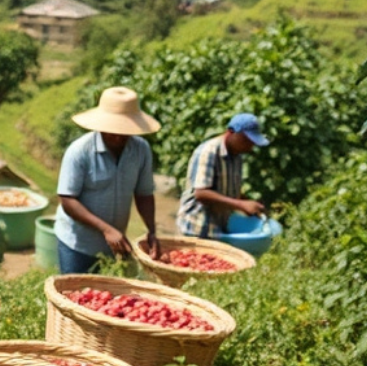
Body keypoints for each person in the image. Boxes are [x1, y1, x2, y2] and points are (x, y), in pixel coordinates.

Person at [54, 86, 162, 273]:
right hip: (78, 244)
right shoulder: (80, 151)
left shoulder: (141, 150)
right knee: (74, 296)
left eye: (124, 131)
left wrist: (151, 231)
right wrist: (106, 229)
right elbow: (67, 200)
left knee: (108, 297)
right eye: (112, 129)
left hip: (114, 245)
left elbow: (144, 194)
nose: (118, 136)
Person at [177, 114, 268, 237]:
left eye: (252, 142)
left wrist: (247, 202)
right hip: (196, 228)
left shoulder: (237, 156)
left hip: (218, 229)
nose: (249, 146)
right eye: (246, 140)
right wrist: (241, 205)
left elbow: (227, 190)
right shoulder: (209, 151)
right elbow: (201, 193)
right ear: (231, 132)